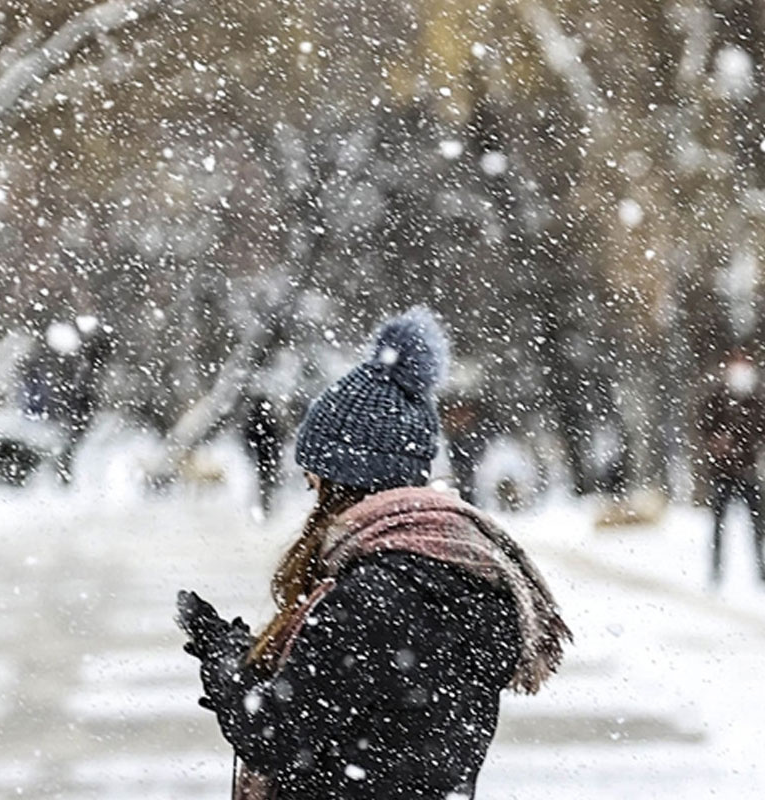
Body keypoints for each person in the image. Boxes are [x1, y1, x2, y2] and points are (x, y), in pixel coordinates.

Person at [176, 308, 571, 800]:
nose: (310, 484)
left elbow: (274, 735)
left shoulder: (372, 593)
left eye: (317, 471)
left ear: (347, 476)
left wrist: (224, 658)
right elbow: (369, 707)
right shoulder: (462, 570)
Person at [698, 350, 765, 584]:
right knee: (718, 524)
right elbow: (704, 425)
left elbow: (759, 432)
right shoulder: (716, 397)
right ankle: (716, 570)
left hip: (747, 471)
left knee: (757, 524)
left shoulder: (756, 398)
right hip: (722, 472)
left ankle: (761, 570)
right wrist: (716, 441)